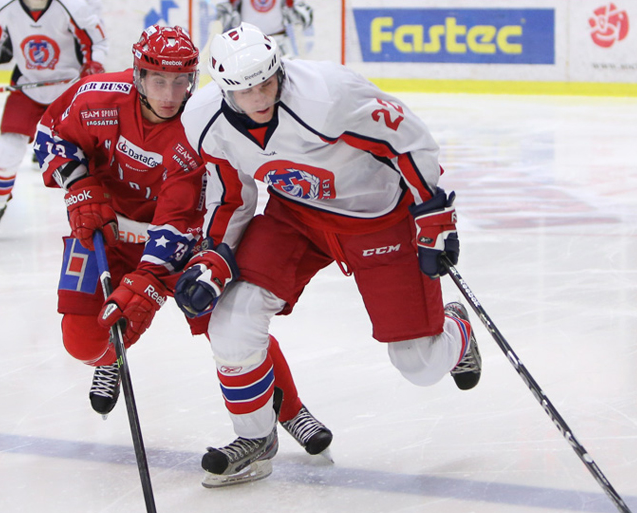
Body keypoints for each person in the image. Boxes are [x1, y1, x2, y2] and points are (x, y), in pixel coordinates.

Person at [175, 24, 483, 488]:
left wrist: (432, 214)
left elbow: (409, 140)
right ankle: (255, 437)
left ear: (278, 70)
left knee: (419, 365)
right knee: (232, 319)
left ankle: (456, 328)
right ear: (222, 90)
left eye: (266, 83)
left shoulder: (328, 94)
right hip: (296, 216)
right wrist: (215, 257)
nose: (259, 98)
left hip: (378, 218)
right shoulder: (203, 120)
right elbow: (231, 194)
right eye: (245, 90)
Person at [34, 26, 332, 466]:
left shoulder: (200, 125)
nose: (170, 95)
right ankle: (110, 358)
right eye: (158, 80)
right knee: (82, 342)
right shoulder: (95, 97)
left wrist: (149, 278)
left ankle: (290, 410)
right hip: (103, 230)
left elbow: (180, 214)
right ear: (138, 75)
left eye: (181, 81)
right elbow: (50, 133)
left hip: (177, 244)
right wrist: (78, 184)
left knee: (230, 325)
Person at [0, 0, 107, 235]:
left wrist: (94, 65)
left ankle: (101, 209)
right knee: (7, 148)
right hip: (27, 85)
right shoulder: (3, 6)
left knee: (88, 156)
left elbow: (96, 41)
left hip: (70, 89)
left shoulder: (72, 6)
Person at [215, 0, 313, 57]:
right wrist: (230, 5)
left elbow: (304, 18)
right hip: (248, 43)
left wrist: (291, 5)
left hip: (279, 42)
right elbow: (220, 19)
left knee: (286, 76)